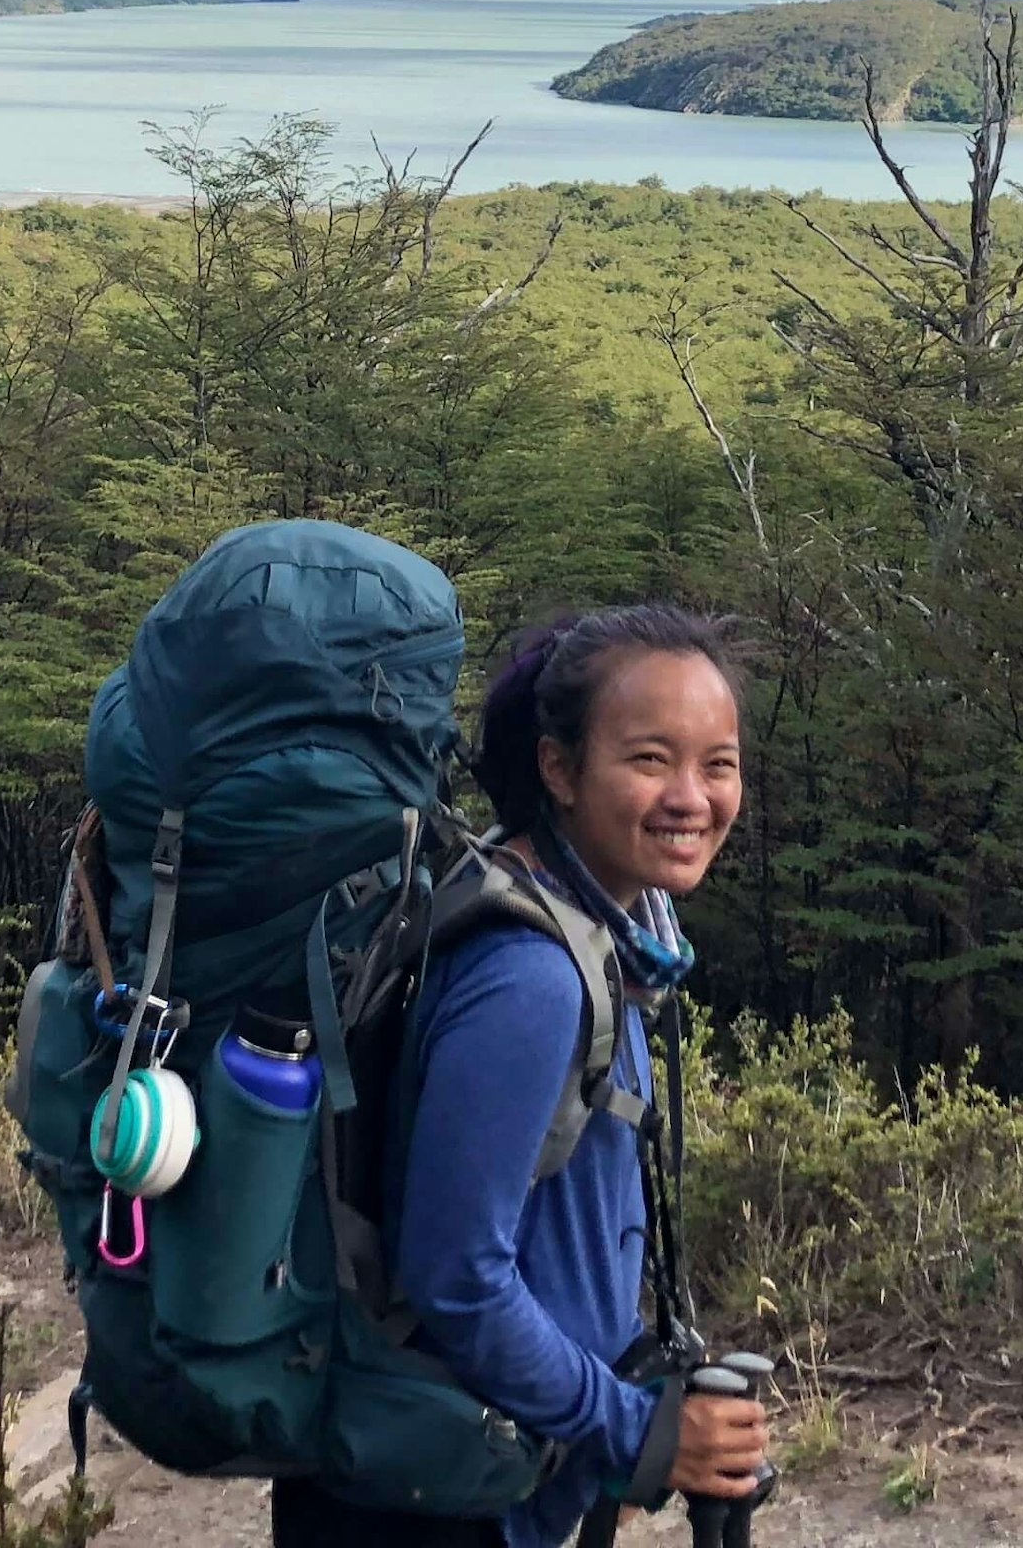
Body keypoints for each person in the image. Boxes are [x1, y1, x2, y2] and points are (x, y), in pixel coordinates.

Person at [271, 606, 772, 1548]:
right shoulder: (532, 975)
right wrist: (635, 1430)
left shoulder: (597, 937)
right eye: (650, 759)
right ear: (558, 768)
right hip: (437, 1507)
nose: (692, 797)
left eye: (719, 763)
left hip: (472, 1477)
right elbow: (457, 1277)